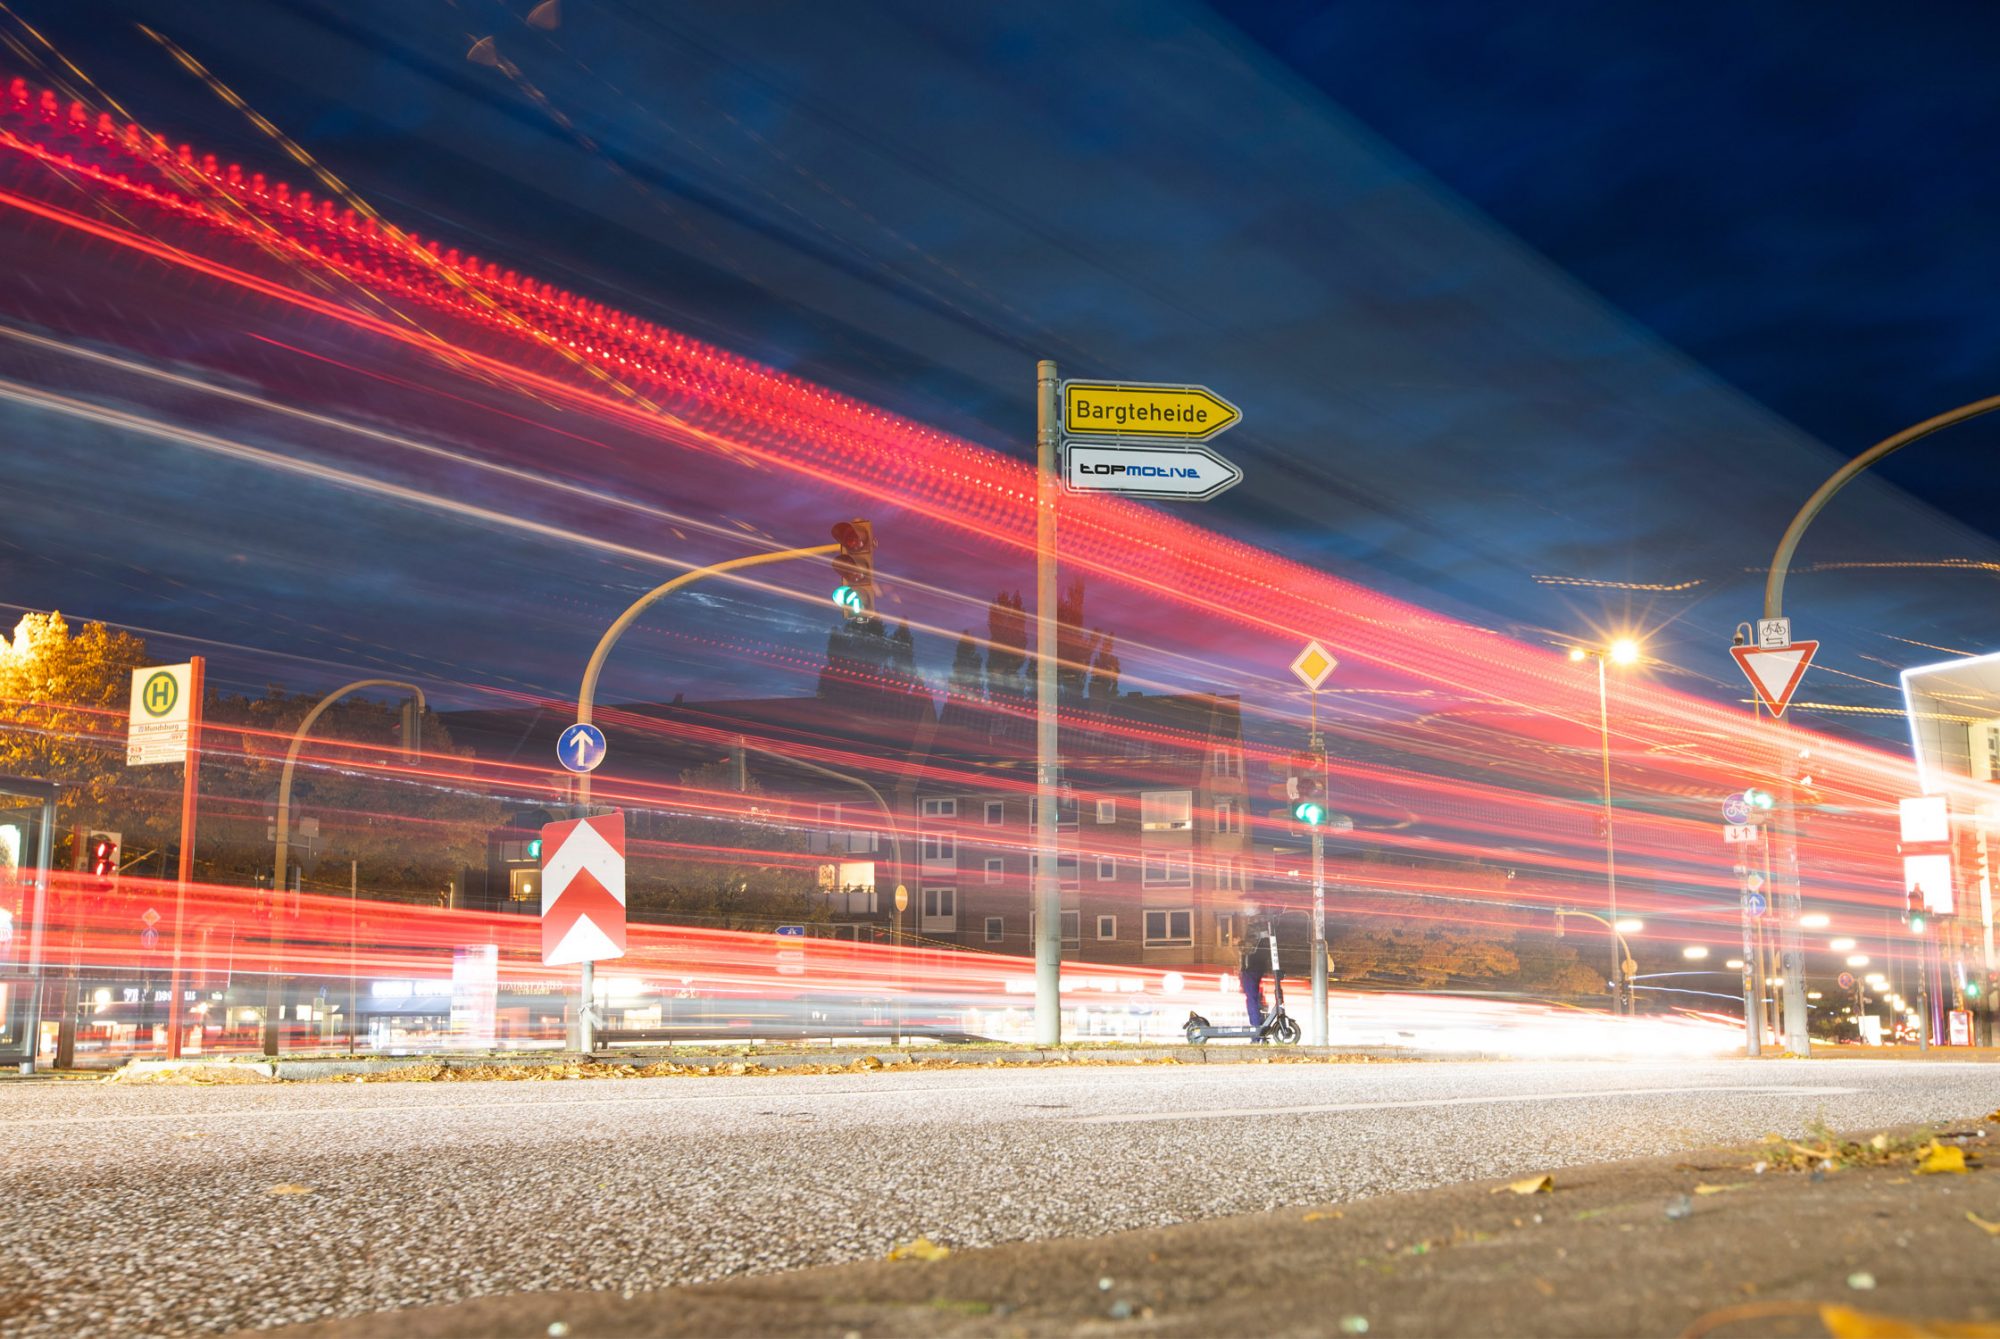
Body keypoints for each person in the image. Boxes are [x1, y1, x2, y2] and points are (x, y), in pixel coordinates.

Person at [1239, 925, 1274, 1032]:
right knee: (1256, 998)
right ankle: (1258, 1023)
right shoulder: (1265, 942)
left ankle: (1256, 1028)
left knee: (1252, 1000)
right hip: (1256, 969)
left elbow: (1246, 949)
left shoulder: (1255, 938)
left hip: (1251, 971)